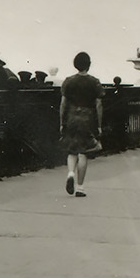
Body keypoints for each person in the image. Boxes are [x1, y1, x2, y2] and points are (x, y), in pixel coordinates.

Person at [58, 52, 102, 198]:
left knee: (72, 150)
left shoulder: (68, 81)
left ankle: (70, 173)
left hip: (71, 116)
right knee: (84, 152)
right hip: (87, 118)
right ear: (88, 65)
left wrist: (62, 122)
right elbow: (99, 104)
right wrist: (99, 124)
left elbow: (63, 103)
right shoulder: (94, 82)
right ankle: (80, 187)